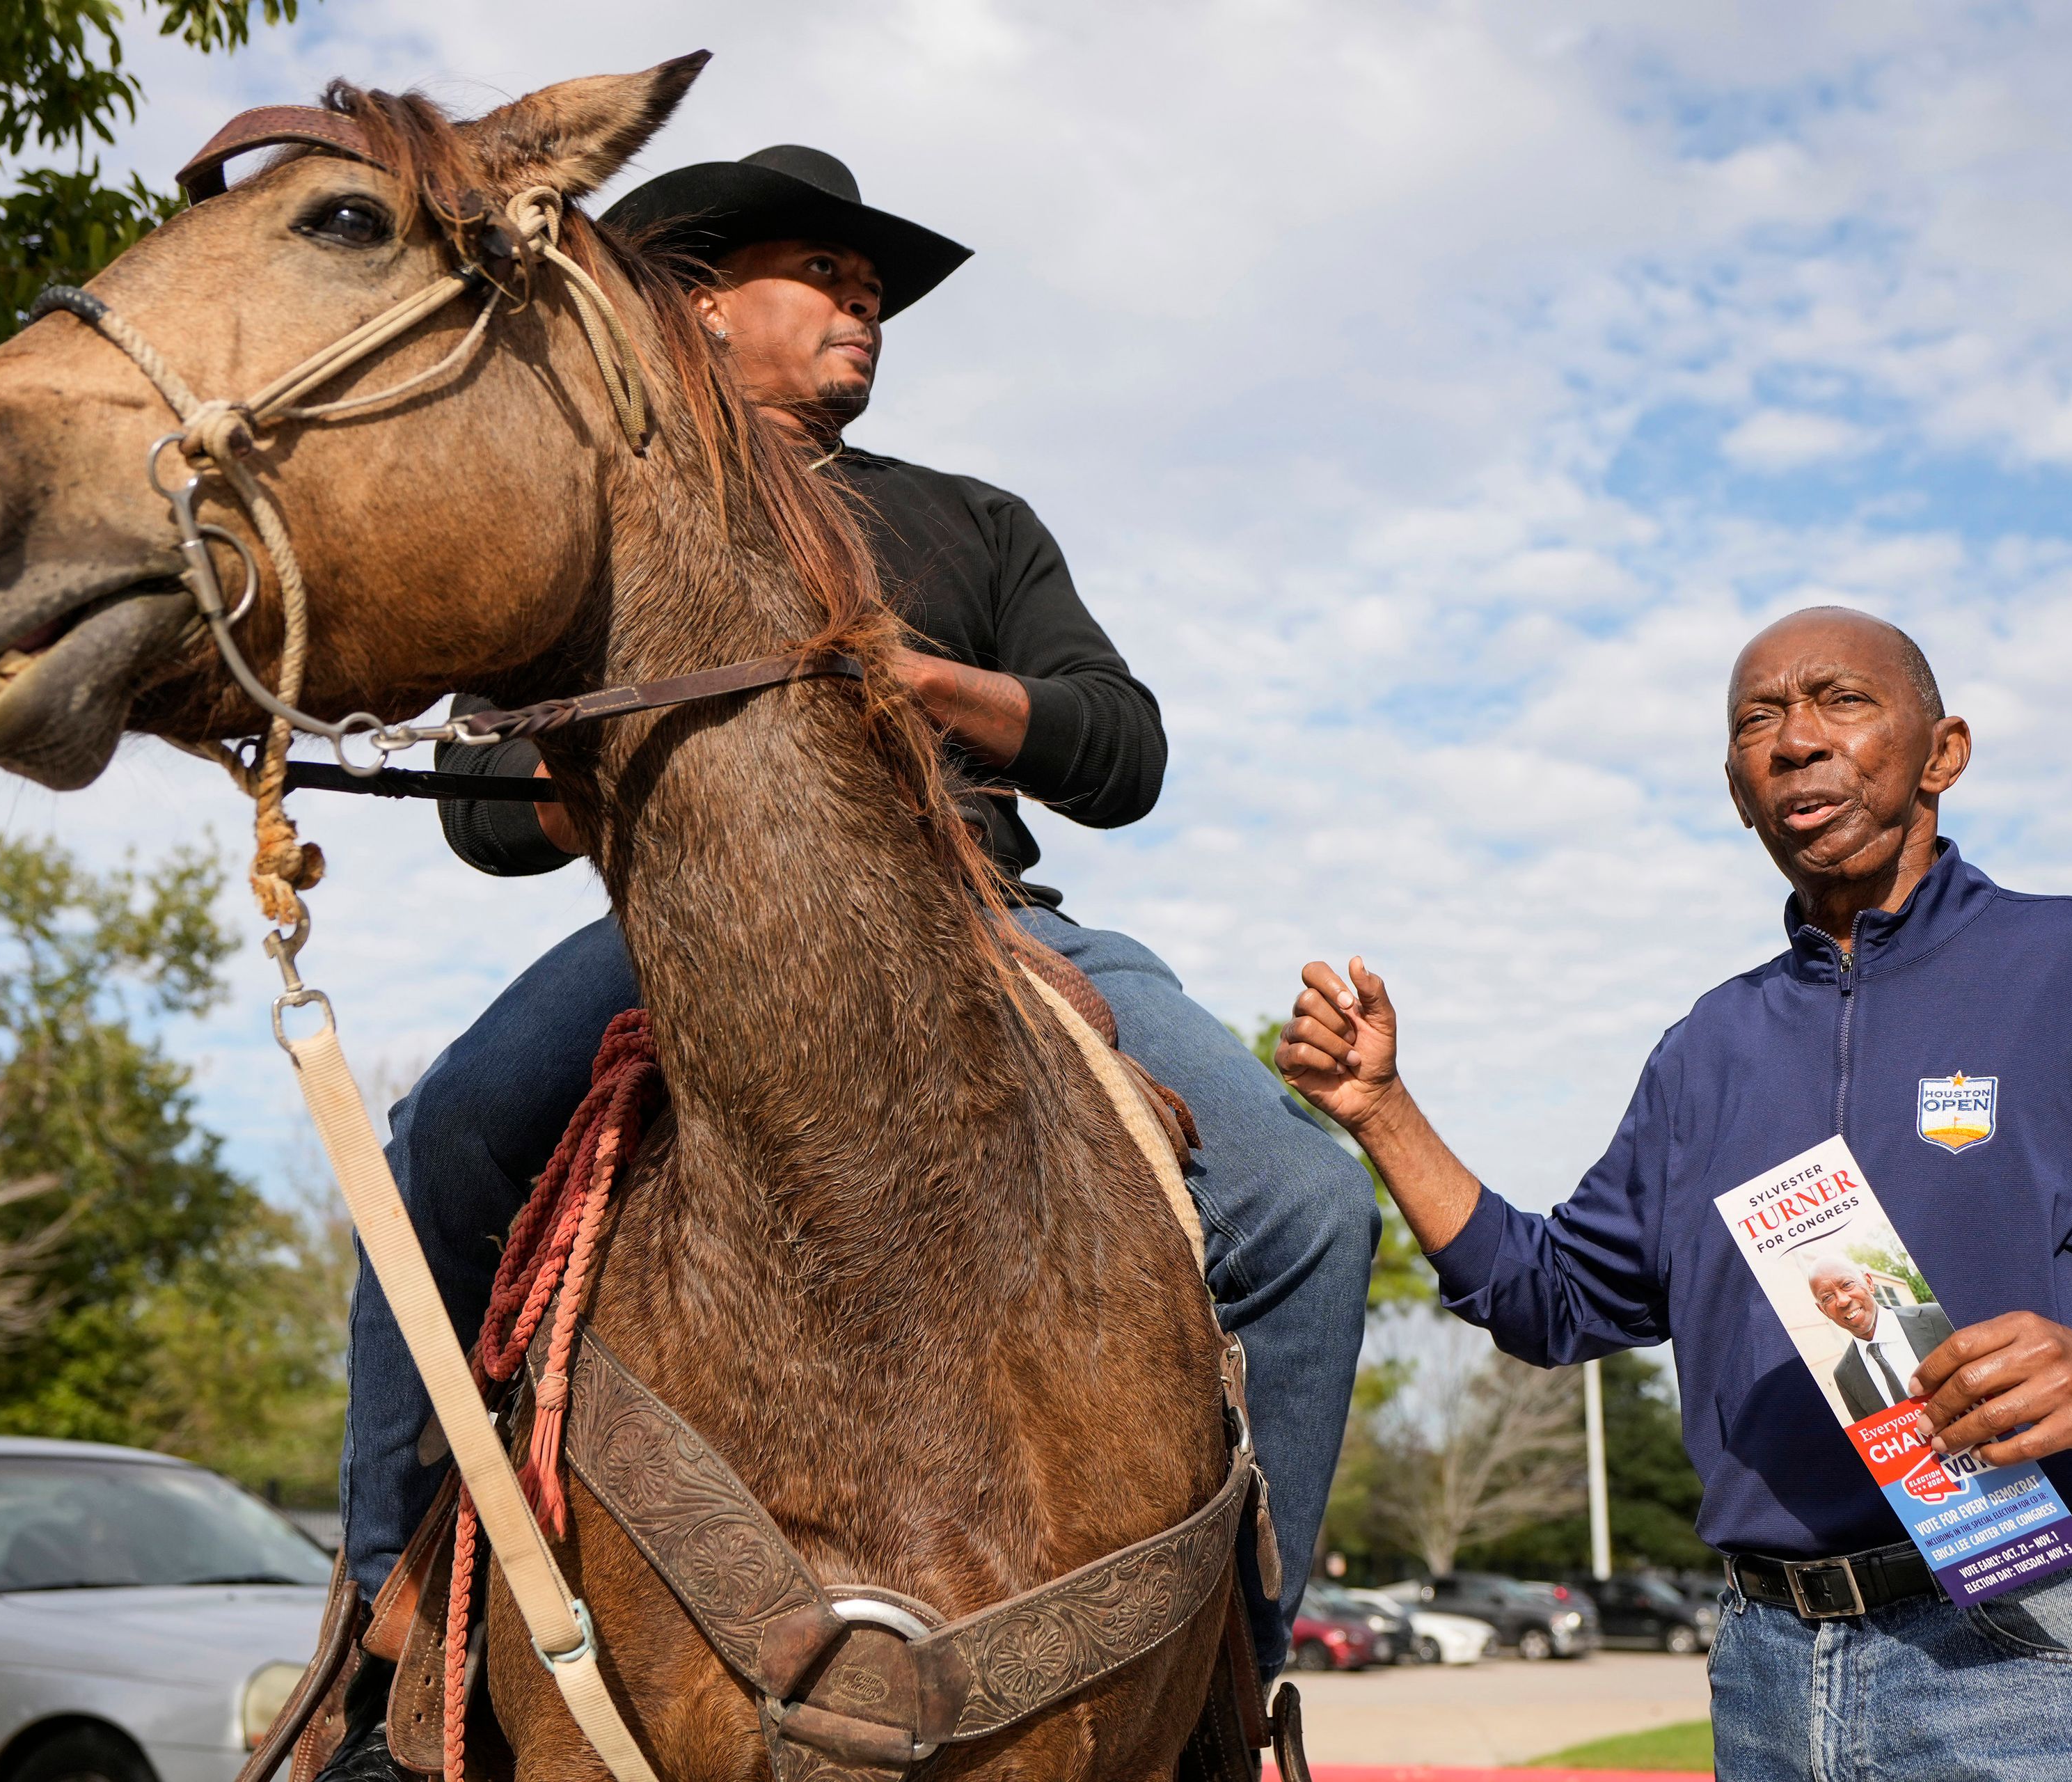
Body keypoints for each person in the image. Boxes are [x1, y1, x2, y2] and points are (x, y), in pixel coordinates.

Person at [333, 145, 1375, 1760]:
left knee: (1303, 1204)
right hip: (696, 928)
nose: (860, 309)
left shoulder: (970, 519)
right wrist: (602, 770)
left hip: (992, 919)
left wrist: (910, 678)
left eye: (871, 293)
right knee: (441, 1134)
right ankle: (390, 1596)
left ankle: (1229, 1655)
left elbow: (1122, 748)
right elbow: (482, 800)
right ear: (697, 303)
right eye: (823, 278)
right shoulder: (600, 518)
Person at [1273, 607, 2072, 1782]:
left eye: (1841, 701)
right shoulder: (1706, 1053)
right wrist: (1383, 1110)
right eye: (1758, 719)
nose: (1796, 740)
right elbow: (1548, 1299)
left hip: (2034, 1645)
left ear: (1943, 751)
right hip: (1766, 1665)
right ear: (1739, 792)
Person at [1805, 1252, 1954, 1420]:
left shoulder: (1939, 1317)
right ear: (1823, 1311)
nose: (1843, 1300)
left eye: (1847, 1284)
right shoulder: (1844, 1376)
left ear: (1869, 1283)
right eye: (1827, 1298)